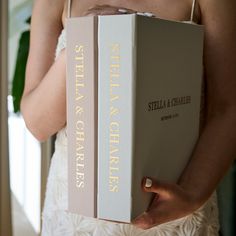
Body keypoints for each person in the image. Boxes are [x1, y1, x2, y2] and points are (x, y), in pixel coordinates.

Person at [20, 0, 236, 235]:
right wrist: (84, 43)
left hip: (175, 209)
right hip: (76, 214)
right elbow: (38, 124)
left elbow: (226, 107)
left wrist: (192, 194)